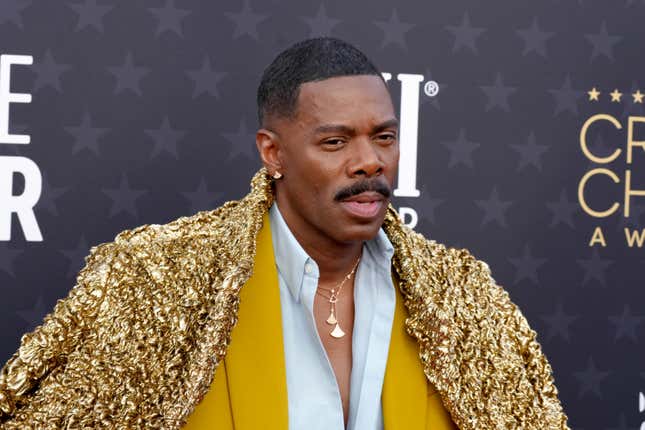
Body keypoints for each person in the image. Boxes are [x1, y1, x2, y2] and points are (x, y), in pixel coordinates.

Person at [0, 37, 569, 429]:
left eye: (385, 138)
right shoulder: (159, 277)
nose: (370, 162)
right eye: (335, 141)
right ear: (272, 152)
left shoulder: (463, 297)